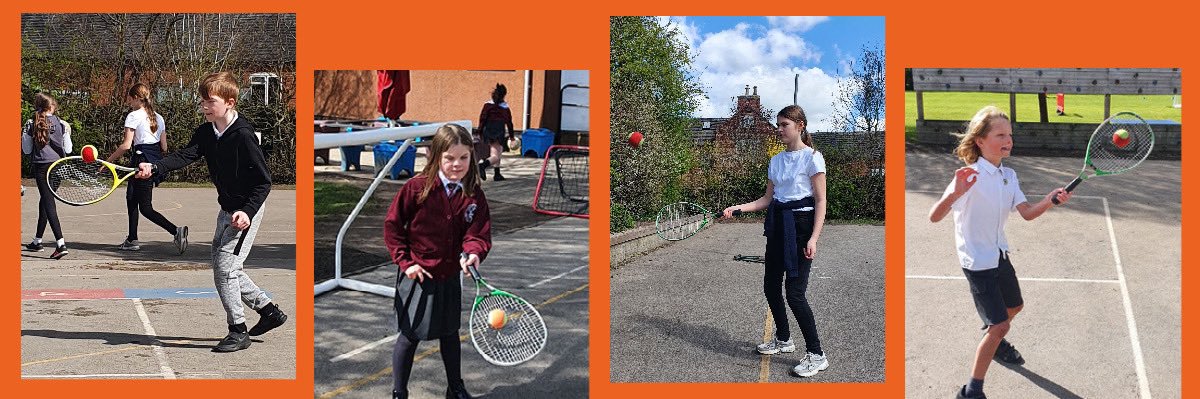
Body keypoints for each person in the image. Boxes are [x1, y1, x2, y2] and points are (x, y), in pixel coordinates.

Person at [134, 72, 287, 352]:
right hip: (226, 208)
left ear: (229, 102)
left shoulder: (243, 135)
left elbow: (264, 182)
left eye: (210, 101)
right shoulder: (207, 132)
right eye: (202, 100)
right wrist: (154, 167)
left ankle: (238, 331)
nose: (204, 106)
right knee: (225, 267)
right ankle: (268, 311)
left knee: (225, 269)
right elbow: (185, 155)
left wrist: (248, 212)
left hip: (245, 211)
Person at [927, 106, 1071, 399]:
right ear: (980, 141)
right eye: (1000, 135)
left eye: (1010, 135)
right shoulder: (968, 176)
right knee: (1000, 325)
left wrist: (1049, 200)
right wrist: (955, 193)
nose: (1008, 140)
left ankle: (994, 338)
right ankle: (971, 391)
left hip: (999, 254)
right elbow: (935, 216)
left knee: (1015, 307)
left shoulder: (1009, 176)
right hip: (977, 261)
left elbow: (1027, 213)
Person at [384, 123, 492, 399]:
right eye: (450, 158)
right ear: (435, 157)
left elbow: (477, 232)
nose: (457, 164)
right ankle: (399, 392)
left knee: (450, 333)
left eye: (464, 157)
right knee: (409, 336)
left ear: (471, 156)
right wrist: (406, 263)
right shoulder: (416, 188)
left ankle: (455, 387)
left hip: (449, 275)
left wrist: (473, 252)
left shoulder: (473, 193)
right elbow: (393, 227)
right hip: (418, 275)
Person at [722, 104, 829, 377]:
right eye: (778, 124)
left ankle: (817, 354)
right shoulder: (776, 161)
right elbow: (767, 199)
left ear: (800, 126)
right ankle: (783, 339)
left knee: (795, 293)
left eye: (784, 125)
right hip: (778, 226)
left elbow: (820, 200)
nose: (779, 129)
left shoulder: (813, 158)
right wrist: (738, 208)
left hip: (801, 228)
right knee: (771, 287)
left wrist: (814, 238)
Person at [106, 83, 187, 253]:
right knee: (131, 199)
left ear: (136, 98)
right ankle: (132, 239)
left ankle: (175, 231)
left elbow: (126, 145)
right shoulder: (159, 117)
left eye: (130, 98)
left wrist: (108, 161)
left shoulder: (133, 116)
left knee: (145, 207)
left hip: (141, 161)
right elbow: (164, 147)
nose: (128, 102)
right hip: (154, 161)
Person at [21, 93, 72, 259]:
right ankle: (37, 241)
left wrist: (26, 134)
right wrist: (67, 133)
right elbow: (68, 149)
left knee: (48, 203)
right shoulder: (62, 123)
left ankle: (60, 243)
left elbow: (27, 150)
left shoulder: (31, 123)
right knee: (45, 201)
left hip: (42, 167)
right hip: (57, 166)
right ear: (52, 106)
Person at [477, 83, 514, 181]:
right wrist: (512, 137)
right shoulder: (505, 108)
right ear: (504, 95)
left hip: (488, 130)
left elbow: (482, 118)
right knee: (496, 156)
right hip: (498, 131)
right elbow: (509, 123)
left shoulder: (487, 105)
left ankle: (497, 174)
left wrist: (479, 131)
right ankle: (482, 166)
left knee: (498, 151)